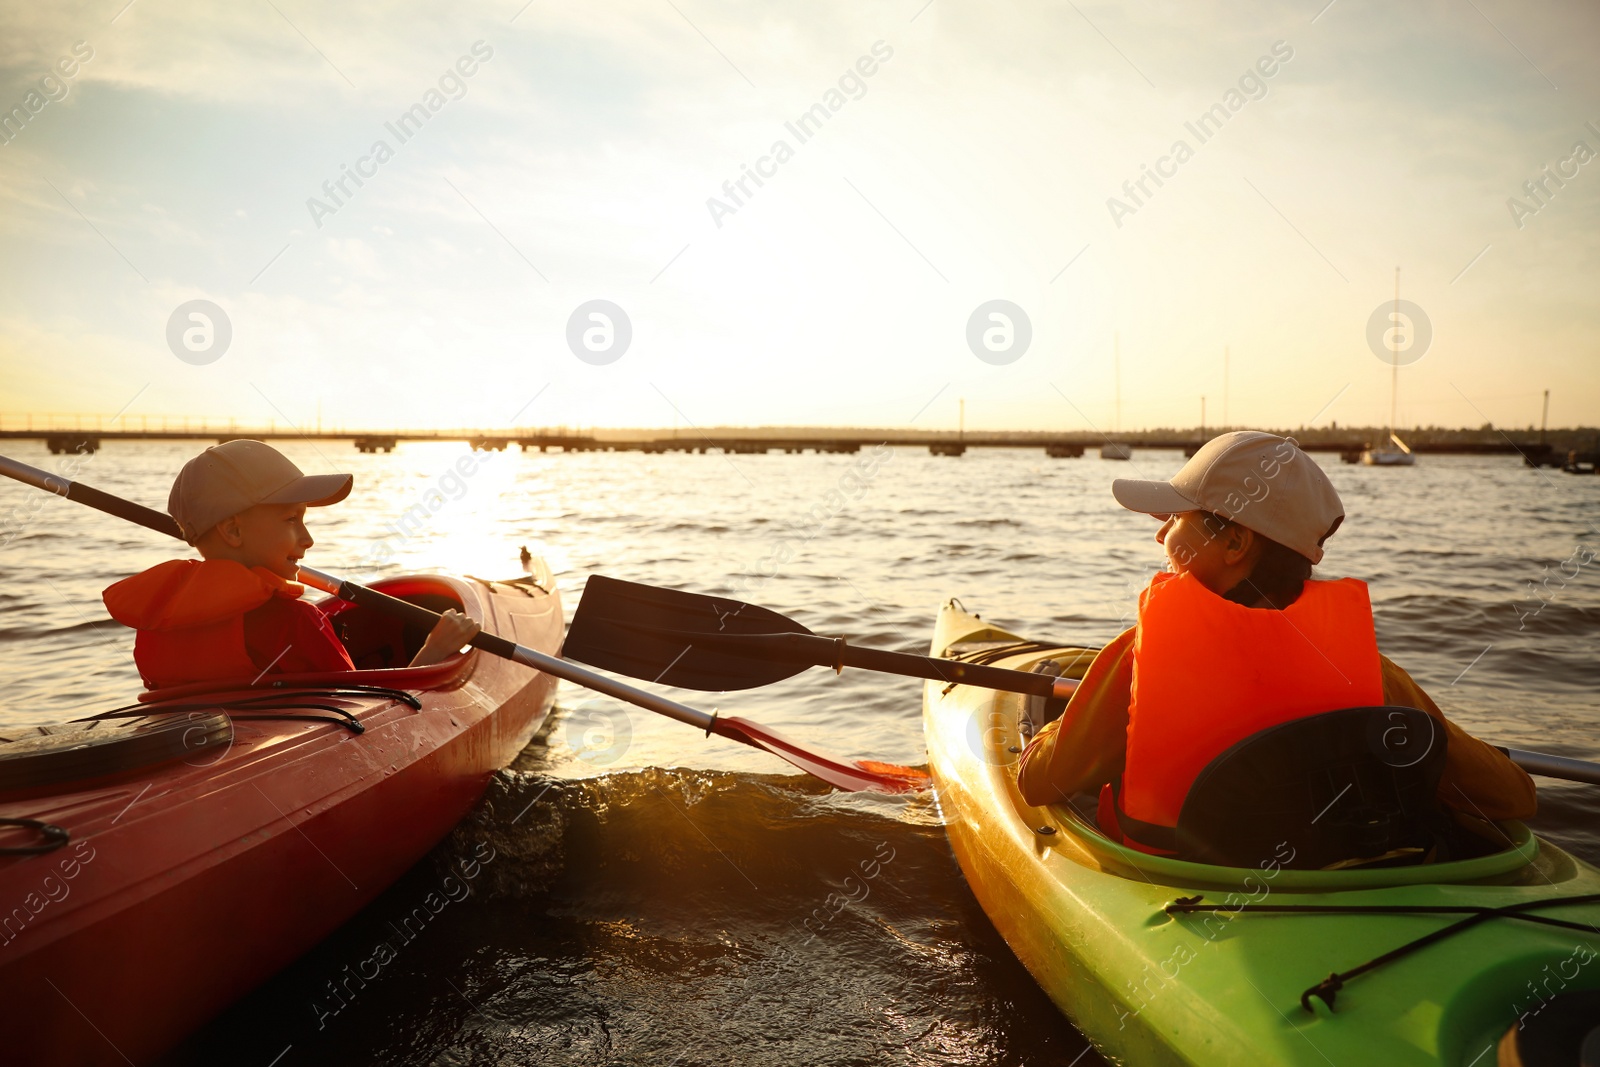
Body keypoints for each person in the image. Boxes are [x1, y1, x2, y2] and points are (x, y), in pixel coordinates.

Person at [1017, 431, 1535, 857]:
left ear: (1235, 544)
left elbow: (1041, 782)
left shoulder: (1137, 656)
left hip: (1186, 886)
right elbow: (1512, 796)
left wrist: (1061, 727)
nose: (1161, 537)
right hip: (1332, 878)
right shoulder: (1368, 671)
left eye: (1175, 519)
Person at [103, 440, 478, 690]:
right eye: (291, 520)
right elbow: (367, 715)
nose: (307, 538)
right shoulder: (297, 623)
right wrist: (433, 650)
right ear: (232, 529)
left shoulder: (155, 623)